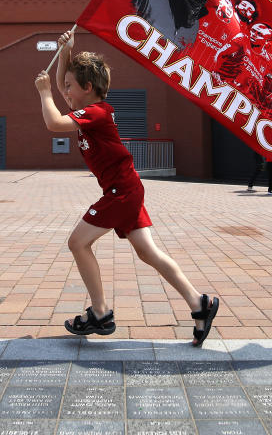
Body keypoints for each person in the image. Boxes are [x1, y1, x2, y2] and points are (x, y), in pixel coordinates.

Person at [34, 29, 220, 346]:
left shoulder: (95, 113)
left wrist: (44, 92)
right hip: (126, 189)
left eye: (69, 87)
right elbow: (69, 83)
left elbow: (53, 123)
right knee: (148, 252)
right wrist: (67, 50)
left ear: (87, 88)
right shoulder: (89, 107)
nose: (64, 90)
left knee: (78, 243)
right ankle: (200, 303)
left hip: (122, 191)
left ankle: (100, 312)